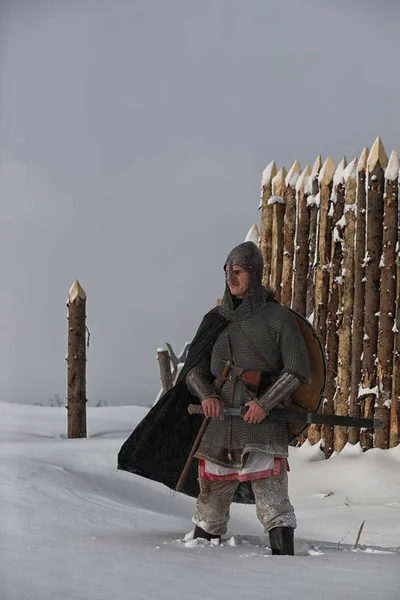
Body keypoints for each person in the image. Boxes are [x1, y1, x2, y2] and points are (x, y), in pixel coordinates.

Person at [184, 241, 310, 555]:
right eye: (227, 272)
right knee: (210, 506)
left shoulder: (278, 318)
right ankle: (197, 566)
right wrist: (207, 394)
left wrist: (264, 404)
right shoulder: (215, 319)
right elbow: (193, 370)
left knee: (274, 503)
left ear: (254, 274)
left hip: (261, 425)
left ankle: (285, 566)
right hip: (219, 426)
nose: (230, 278)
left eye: (237, 271)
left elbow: (296, 370)